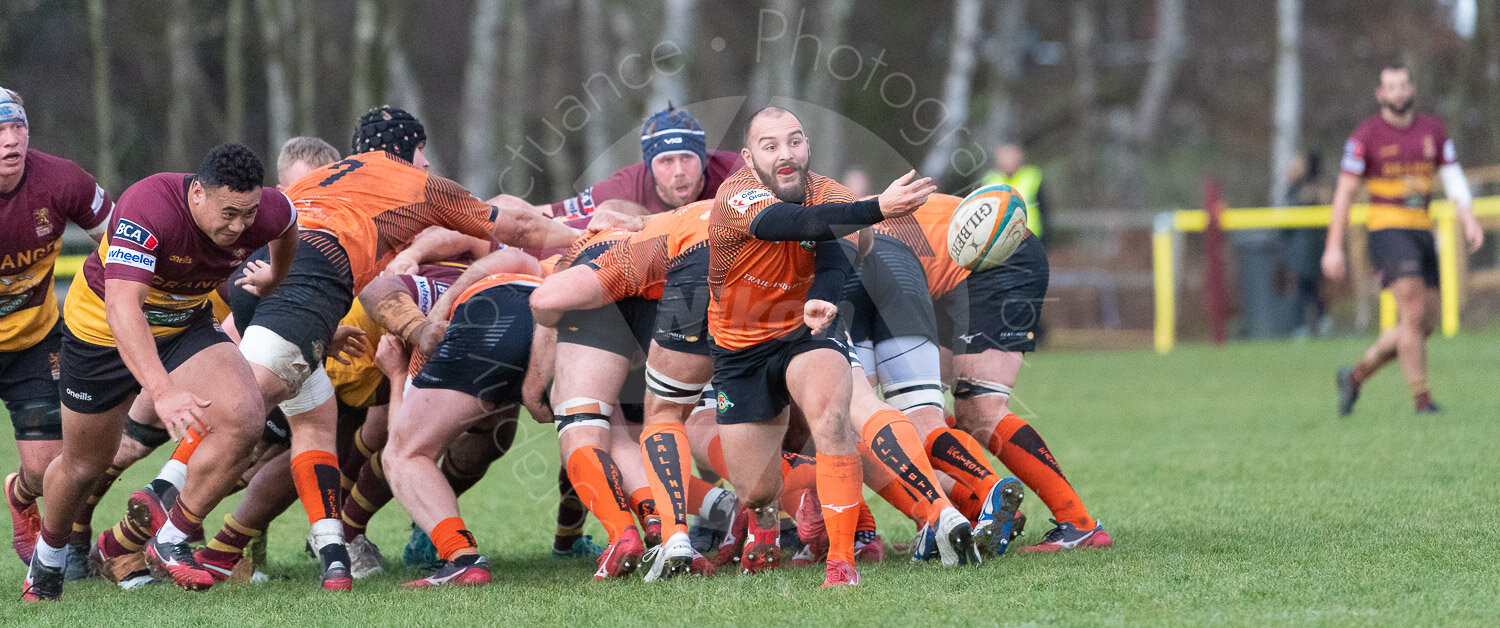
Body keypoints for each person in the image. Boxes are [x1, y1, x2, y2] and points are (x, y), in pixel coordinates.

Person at [226, 105, 582, 590]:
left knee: (320, 437)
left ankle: (244, 535)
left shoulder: (329, 191)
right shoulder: (410, 189)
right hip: (346, 325)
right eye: (420, 151)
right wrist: (418, 325)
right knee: (276, 436)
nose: (428, 162)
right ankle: (190, 531)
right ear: (402, 151)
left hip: (335, 328)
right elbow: (487, 230)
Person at [706, 106, 967, 587]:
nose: (786, 154)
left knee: (833, 420)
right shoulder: (735, 194)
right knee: (756, 487)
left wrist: (824, 298)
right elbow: (795, 224)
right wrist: (876, 209)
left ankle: (841, 560)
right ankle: (768, 517)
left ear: (807, 146)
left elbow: (834, 250)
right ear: (748, 157)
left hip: (803, 333)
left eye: (795, 141)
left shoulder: (831, 193)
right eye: (771, 146)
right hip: (739, 348)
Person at [24, 144, 299, 601]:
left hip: (183, 323)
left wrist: (276, 275)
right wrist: (162, 390)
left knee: (245, 416)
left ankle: (172, 538)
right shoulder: (149, 206)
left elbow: (288, 224)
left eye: (247, 216)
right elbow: (122, 307)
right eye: (228, 213)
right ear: (197, 195)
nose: (238, 228)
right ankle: (49, 554)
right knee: (86, 463)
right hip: (102, 331)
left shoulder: (263, 209)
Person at [872, 192, 1112, 552]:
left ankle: (1078, 524)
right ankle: (969, 515)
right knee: (918, 411)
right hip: (942, 279)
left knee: (979, 407)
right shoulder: (829, 226)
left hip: (999, 259)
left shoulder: (827, 247)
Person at [1324, 65, 1484, 416]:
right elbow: (1345, 193)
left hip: (1422, 232)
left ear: (1412, 88)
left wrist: (1468, 219)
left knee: (1423, 324)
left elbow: (1453, 177)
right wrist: (1333, 245)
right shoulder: (1366, 135)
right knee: (1411, 312)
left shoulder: (1432, 129)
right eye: (1390, 87)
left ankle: (1354, 377)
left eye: (1402, 85)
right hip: (1387, 230)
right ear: (1380, 95)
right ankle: (1422, 400)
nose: (1397, 92)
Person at [0, 86, 115, 569]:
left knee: (48, 467)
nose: (11, 140)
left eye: (17, 126)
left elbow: (121, 236)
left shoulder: (62, 179)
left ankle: (18, 494)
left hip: (32, 339)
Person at [528, 104, 743, 227]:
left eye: (687, 158)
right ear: (649, 166)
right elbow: (548, 213)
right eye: (666, 161)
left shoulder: (737, 171)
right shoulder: (625, 187)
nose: (679, 172)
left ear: (703, 158)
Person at [1279, 152, 1332, 339]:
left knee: (1304, 287)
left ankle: (1304, 325)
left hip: (1305, 246)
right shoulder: (1304, 189)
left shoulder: (1304, 190)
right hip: (1309, 246)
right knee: (1310, 287)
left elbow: (1286, 224)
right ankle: (1321, 321)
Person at [981, 143, 1046, 243]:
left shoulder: (1032, 176)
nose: (1008, 161)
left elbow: (1044, 209)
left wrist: (1046, 240)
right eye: (1005, 158)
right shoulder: (990, 180)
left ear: (1019, 158)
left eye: (1011, 157)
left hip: (1030, 237)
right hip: (1000, 241)